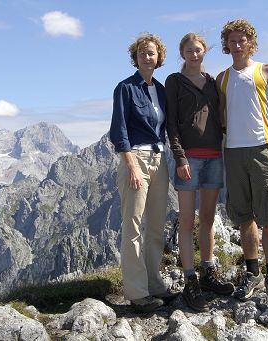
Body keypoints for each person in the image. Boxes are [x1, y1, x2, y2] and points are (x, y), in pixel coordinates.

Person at [216, 19, 268, 300]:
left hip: (262, 149)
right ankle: (252, 273)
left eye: (241, 40)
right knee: (244, 215)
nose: (236, 45)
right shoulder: (222, 78)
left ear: (250, 42)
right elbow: (221, 115)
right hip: (233, 151)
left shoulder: (266, 71)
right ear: (227, 44)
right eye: (232, 41)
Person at [166, 33, 234, 312]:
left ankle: (208, 271)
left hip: (214, 156)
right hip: (189, 160)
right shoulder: (174, 81)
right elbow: (171, 123)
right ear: (182, 53)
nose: (194, 54)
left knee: (207, 218)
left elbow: (222, 115)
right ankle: (190, 279)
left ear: (205, 52)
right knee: (186, 221)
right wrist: (180, 157)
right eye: (189, 50)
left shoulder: (212, 82)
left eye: (198, 50)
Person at [110, 33, 177, 313]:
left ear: (158, 57)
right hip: (135, 159)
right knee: (134, 226)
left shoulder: (160, 90)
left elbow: (165, 128)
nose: (146, 57)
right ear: (135, 58)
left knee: (156, 224)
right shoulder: (125, 88)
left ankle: (154, 283)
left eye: (151, 53)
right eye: (141, 53)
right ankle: (137, 292)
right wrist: (132, 165)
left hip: (159, 159)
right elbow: (119, 131)